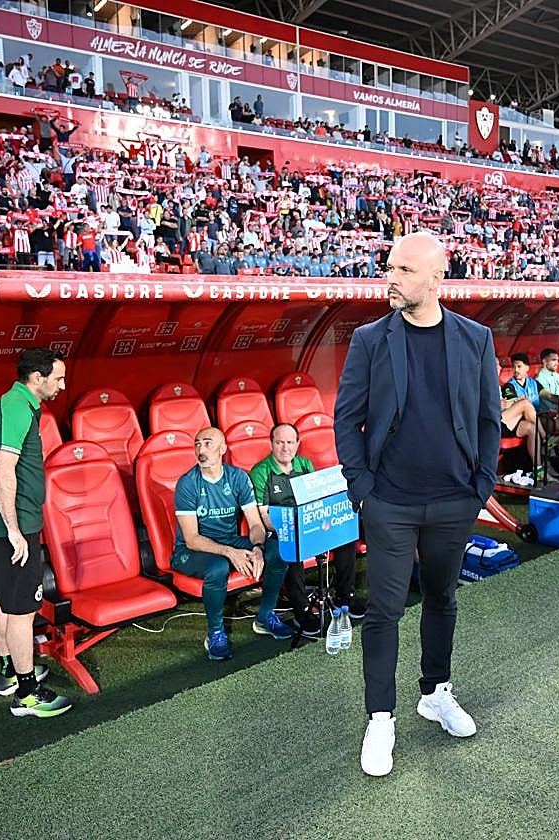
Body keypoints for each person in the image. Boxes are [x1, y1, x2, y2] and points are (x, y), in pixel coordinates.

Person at [334, 231, 500, 778]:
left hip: (455, 500)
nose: (391, 277)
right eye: (390, 267)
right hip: (390, 503)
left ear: (436, 277)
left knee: (442, 599)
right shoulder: (369, 340)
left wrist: (481, 484)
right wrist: (362, 489)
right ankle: (380, 716)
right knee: (383, 612)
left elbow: (487, 419)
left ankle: (436, 692)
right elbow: (346, 418)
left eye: (404, 270)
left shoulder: (475, 338)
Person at [0, 348, 71, 717]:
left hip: (1, 524)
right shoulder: (16, 407)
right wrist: (15, 530)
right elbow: (4, 471)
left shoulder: (14, 404)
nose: (62, 385)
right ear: (37, 377)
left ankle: (8, 673)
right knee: (22, 612)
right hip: (12, 527)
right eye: (58, 378)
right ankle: (28, 694)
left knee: (6, 600)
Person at [171, 428, 294, 660]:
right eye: (197, 444)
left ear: (223, 449)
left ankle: (265, 617)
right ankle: (215, 633)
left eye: (208, 443)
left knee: (277, 551)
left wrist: (257, 548)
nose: (201, 449)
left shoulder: (237, 477)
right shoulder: (187, 483)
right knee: (218, 566)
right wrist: (231, 553)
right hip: (190, 551)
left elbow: (255, 524)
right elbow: (192, 538)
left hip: (229, 541)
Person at [249, 424, 364, 639]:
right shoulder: (260, 471)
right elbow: (263, 517)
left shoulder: (304, 464)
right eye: (280, 442)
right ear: (271, 444)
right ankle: (301, 610)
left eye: (290, 442)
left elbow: (316, 499)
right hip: (281, 529)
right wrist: (294, 528)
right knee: (291, 546)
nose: (285, 448)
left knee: (344, 537)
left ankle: (345, 596)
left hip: (308, 524)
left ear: (297, 444)